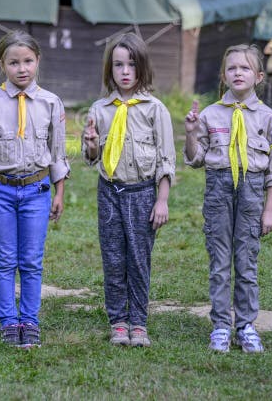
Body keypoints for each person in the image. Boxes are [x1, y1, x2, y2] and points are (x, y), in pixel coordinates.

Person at [0, 30, 70, 348]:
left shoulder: (51, 102)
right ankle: (8, 322)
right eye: (14, 62)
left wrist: (59, 192)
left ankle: (30, 320)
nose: (21, 68)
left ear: (38, 60)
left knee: (31, 259)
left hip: (36, 190)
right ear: (2, 64)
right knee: (5, 258)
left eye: (28, 61)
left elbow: (58, 152)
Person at [184, 43, 272, 354]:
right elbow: (195, 159)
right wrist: (190, 132)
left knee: (246, 261)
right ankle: (220, 326)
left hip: (252, 192)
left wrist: (270, 210)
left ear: (258, 76)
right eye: (232, 68)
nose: (237, 72)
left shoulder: (269, 119)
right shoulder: (210, 114)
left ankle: (245, 326)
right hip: (218, 190)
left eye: (244, 68)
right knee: (219, 261)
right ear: (224, 75)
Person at [81, 33, 175, 347]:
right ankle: (118, 322)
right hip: (109, 191)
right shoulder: (99, 109)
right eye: (118, 65)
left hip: (143, 193)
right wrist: (92, 145)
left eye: (131, 65)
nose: (125, 71)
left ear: (142, 68)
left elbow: (165, 159)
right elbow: (92, 158)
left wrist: (162, 200)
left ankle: (139, 322)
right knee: (113, 259)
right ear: (110, 69)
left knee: (138, 259)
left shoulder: (155, 110)